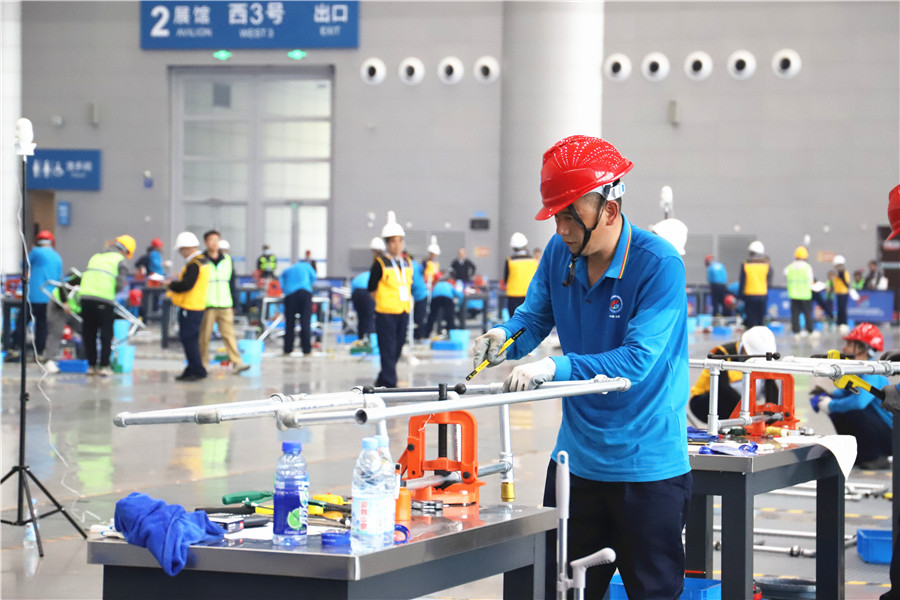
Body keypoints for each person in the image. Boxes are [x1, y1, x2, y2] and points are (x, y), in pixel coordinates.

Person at [472, 135, 691, 598]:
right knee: (560, 591)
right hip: (575, 464)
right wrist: (503, 338)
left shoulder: (659, 265)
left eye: (570, 215)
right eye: (555, 215)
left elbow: (636, 360)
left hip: (647, 469)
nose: (561, 229)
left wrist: (555, 368)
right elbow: (534, 317)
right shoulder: (560, 254)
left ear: (608, 210)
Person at [810, 323, 891, 469]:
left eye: (849, 344)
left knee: (853, 409)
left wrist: (830, 405)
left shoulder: (873, 372)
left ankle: (876, 456)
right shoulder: (858, 370)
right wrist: (825, 396)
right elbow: (844, 392)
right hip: (881, 431)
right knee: (840, 407)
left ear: (862, 347)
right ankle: (859, 453)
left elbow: (859, 402)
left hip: (891, 436)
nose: (844, 349)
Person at [688, 326, 777, 423]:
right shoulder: (722, 353)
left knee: (765, 375)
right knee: (737, 384)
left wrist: (772, 415)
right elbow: (722, 388)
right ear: (745, 349)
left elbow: (771, 388)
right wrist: (750, 409)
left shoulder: (761, 359)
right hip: (704, 402)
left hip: (735, 401)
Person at [368, 211, 413, 387]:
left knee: (397, 348)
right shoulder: (380, 263)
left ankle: (382, 378)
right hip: (386, 313)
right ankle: (390, 383)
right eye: (393, 241)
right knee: (387, 348)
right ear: (387, 243)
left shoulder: (407, 262)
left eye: (400, 241)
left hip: (403, 311)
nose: (397, 245)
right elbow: (371, 288)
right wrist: (381, 303)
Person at [79, 235, 134, 376]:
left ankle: (91, 366)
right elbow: (120, 285)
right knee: (106, 334)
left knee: (89, 333)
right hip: (103, 299)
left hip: (85, 297)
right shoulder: (120, 260)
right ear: (125, 251)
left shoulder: (96, 257)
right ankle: (104, 366)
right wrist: (110, 291)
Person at [199, 230, 250, 374]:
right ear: (206, 242)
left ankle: (237, 362)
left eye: (217, 240)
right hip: (207, 304)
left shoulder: (227, 260)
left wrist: (235, 304)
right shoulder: (201, 260)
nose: (214, 243)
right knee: (204, 337)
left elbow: (232, 283)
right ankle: (203, 364)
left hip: (225, 303)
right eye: (211, 240)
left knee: (229, 335)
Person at [12, 230, 63, 362]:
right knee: (42, 326)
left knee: (22, 323)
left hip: (33, 296)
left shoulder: (36, 252)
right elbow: (59, 278)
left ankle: (15, 349)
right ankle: (39, 353)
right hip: (49, 297)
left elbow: (23, 265)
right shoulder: (57, 257)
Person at [166, 231, 210, 381]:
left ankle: (196, 369)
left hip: (190, 306)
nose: (180, 253)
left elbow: (187, 285)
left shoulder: (194, 264)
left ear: (186, 248)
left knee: (189, 339)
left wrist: (171, 284)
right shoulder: (203, 261)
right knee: (192, 339)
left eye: (181, 250)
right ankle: (193, 368)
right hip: (198, 304)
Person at [42, 269, 83, 373]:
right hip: (58, 305)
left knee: (85, 330)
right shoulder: (82, 278)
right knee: (56, 333)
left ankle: (87, 360)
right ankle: (49, 360)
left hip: (74, 310)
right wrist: (65, 302)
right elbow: (62, 287)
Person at [279, 254, 317, 356]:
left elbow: (281, 281)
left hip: (290, 295)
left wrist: (286, 290)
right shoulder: (308, 267)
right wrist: (308, 285)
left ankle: (287, 349)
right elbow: (314, 278)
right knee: (305, 322)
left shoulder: (288, 269)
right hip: (304, 293)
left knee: (289, 323)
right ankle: (306, 350)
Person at [350, 237, 383, 342]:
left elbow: (352, 289)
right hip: (366, 292)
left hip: (356, 293)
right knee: (369, 318)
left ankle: (361, 339)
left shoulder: (361, 275)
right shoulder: (376, 276)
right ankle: (369, 339)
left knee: (361, 318)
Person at [502, 232, 539, 317]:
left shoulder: (510, 260)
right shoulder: (533, 261)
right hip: (530, 294)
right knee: (529, 319)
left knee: (514, 319)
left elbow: (505, 279)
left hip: (513, 295)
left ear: (513, 247)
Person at [784, 246, 814, 337]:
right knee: (807, 313)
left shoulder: (790, 267)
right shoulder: (807, 267)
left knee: (795, 314)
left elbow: (785, 274)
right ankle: (810, 330)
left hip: (794, 294)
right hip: (805, 295)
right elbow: (811, 280)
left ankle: (796, 331)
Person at [739, 240, 771, 328]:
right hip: (762, 295)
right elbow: (769, 281)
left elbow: (742, 282)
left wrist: (740, 296)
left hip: (749, 295)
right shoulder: (766, 265)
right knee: (760, 321)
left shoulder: (745, 265)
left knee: (751, 321)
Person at [830, 255, 851, 333]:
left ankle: (844, 323)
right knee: (839, 309)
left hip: (843, 293)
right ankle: (839, 323)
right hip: (838, 293)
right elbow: (835, 283)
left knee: (843, 309)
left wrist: (841, 277)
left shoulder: (844, 273)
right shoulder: (837, 274)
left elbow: (846, 283)